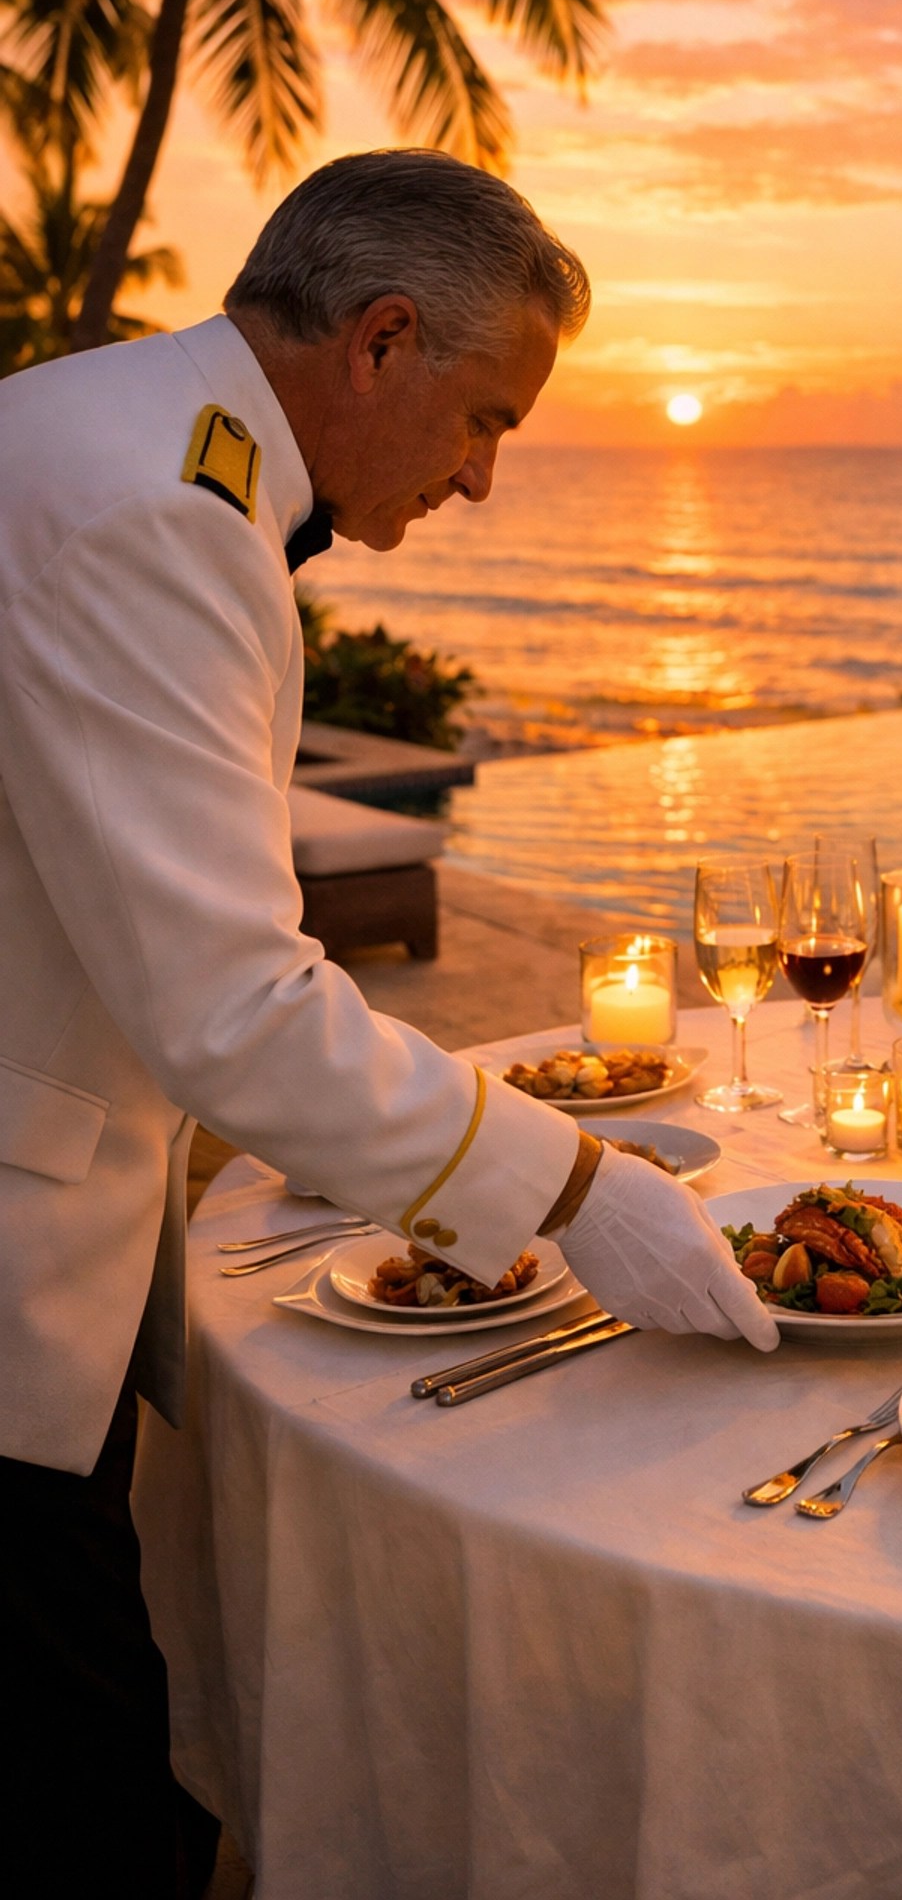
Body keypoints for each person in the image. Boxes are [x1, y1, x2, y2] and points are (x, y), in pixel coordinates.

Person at [0, 149, 776, 1894]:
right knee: (85, 1808)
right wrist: (577, 1189)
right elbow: (231, 1005)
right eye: (486, 419)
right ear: (381, 340)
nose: (483, 476)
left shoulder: (105, 416)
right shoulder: (160, 513)